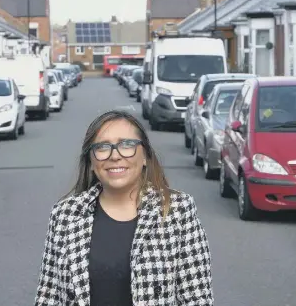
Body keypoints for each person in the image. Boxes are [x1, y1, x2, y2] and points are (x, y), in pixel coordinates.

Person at [34, 110, 214, 306]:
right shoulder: (65, 215)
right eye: (103, 147)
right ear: (91, 162)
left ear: (145, 156)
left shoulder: (177, 210)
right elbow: (48, 297)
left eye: (127, 145)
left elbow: (198, 299)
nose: (115, 156)